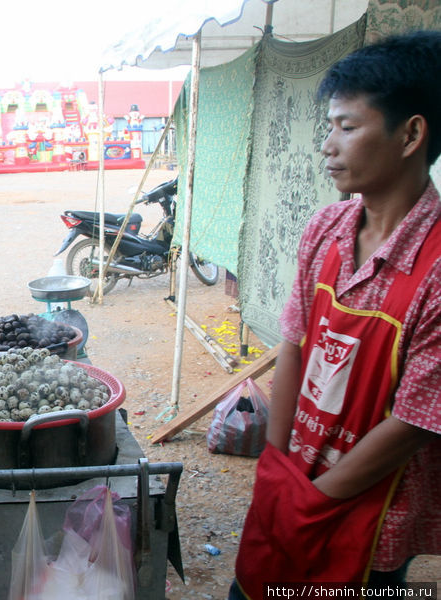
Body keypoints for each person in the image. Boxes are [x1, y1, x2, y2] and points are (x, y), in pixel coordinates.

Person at [231, 31, 441, 599]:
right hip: (295, 474)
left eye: (347, 127)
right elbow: (295, 344)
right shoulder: (324, 229)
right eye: (329, 127)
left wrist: (316, 501)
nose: (327, 145)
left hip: (374, 504)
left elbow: (413, 422)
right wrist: (277, 470)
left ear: (411, 134)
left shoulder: (438, 265)